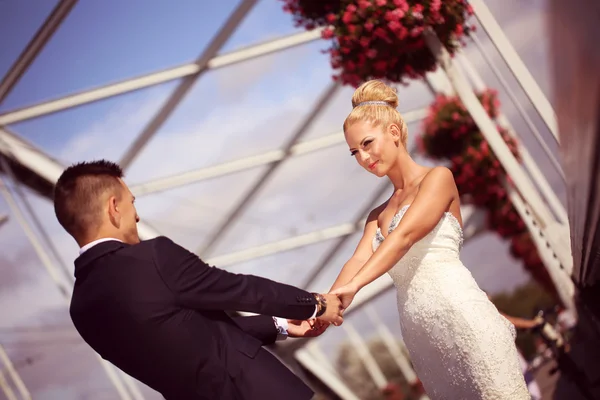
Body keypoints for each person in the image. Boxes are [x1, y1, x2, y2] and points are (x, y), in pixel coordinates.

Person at [53, 160, 344, 400]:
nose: (137, 217)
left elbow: (192, 340)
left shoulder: (81, 310)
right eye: (132, 203)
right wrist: (315, 305)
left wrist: (279, 325)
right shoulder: (152, 258)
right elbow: (240, 289)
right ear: (113, 208)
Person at [326, 80, 530, 399]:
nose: (363, 158)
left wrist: (355, 286)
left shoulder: (438, 179)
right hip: (424, 340)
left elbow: (404, 236)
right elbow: (358, 260)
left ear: (394, 132)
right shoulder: (375, 216)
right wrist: (327, 304)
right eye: (355, 152)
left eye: (367, 143)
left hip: (465, 317)